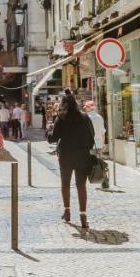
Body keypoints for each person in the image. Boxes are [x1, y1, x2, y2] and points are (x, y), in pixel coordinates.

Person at [50, 90, 95, 229]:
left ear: (63, 104)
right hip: (82, 155)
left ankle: (67, 211)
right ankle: (83, 216)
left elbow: (52, 138)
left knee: (65, 184)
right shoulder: (84, 117)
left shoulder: (61, 118)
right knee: (81, 185)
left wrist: (49, 130)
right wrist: (85, 148)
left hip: (66, 156)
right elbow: (91, 136)